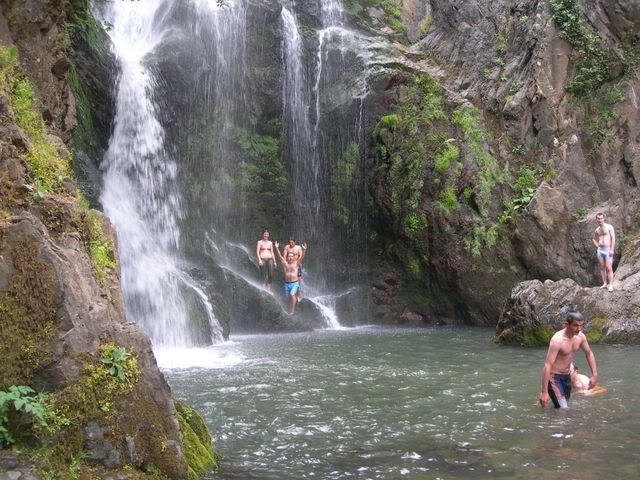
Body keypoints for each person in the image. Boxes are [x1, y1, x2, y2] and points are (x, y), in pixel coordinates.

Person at [539, 311, 598, 409]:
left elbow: (589, 353)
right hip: (554, 377)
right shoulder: (557, 340)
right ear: (567, 324)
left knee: (562, 406)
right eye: (575, 326)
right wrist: (544, 392)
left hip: (567, 376)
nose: (579, 329)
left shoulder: (580, 337)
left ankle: (551, 421)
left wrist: (594, 374)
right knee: (564, 409)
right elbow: (547, 365)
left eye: (581, 326)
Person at [274, 240, 307, 315]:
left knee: (292, 294)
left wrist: (305, 249)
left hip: (294, 283)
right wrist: (276, 248)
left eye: (292, 257)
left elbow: (302, 257)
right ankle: (289, 310)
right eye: (289, 256)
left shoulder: (296, 263)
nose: (290, 258)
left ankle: (292, 311)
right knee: (288, 298)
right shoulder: (285, 264)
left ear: (294, 258)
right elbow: (280, 256)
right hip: (286, 284)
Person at [592, 212, 615, 292]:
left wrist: (612, 249)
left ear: (604, 218)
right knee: (602, 267)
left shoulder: (609, 227)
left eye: (601, 218)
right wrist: (597, 245)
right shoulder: (597, 230)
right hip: (600, 250)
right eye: (598, 218)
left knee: (609, 267)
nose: (600, 220)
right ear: (596, 220)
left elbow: (613, 239)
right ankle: (605, 283)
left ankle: (611, 284)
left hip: (608, 249)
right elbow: (593, 239)